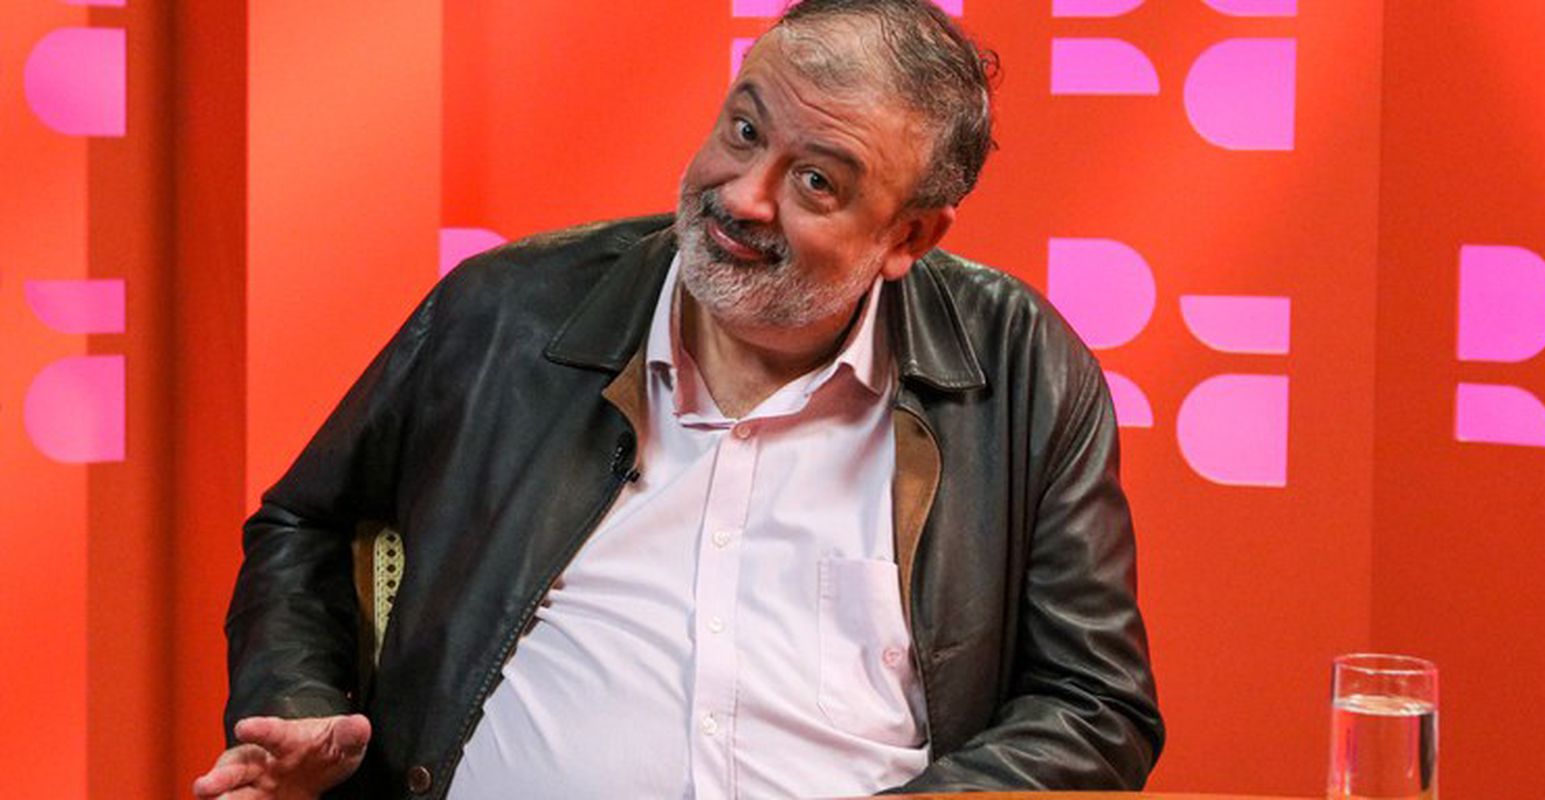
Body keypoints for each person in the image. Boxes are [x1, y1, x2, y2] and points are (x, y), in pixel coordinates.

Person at [194, 1, 1163, 797]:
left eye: (815, 181)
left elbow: (1092, 704)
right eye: (744, 131)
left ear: (907, 236)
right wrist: (301, 701)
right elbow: (305, 523)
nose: (743, 195)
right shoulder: (505, 311)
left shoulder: (1018, 364)